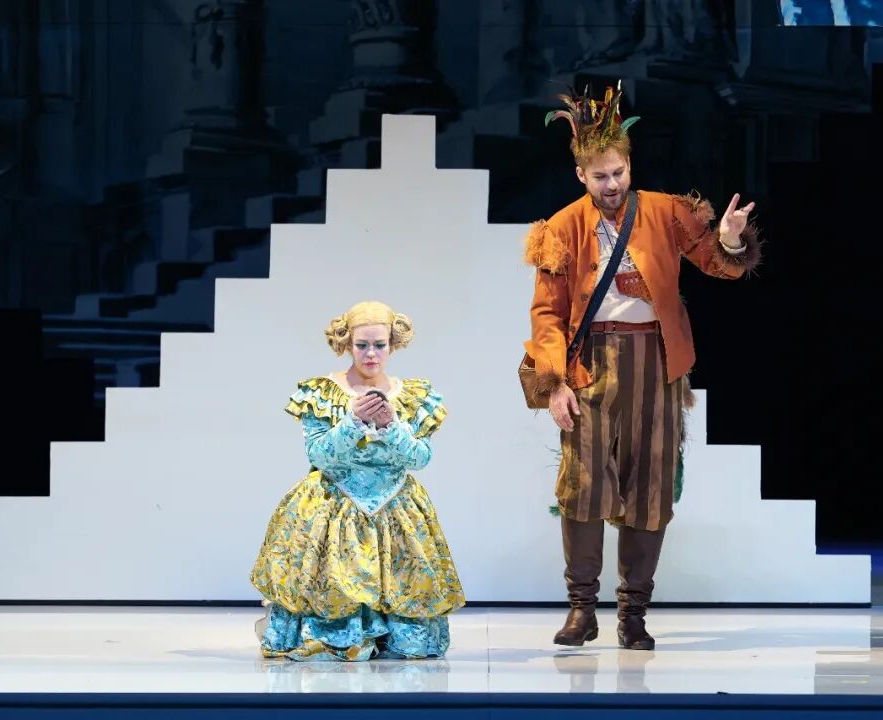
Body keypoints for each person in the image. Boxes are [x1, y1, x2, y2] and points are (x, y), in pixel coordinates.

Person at [523, 82, 761, 649]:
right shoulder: (563, 228)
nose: (611, 184)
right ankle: (582, 609)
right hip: (590, 365)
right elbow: (547, 314)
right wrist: (554, 383)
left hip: (656, 360)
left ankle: (633, 614)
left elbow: (718, 266)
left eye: (619, 172)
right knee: (583, 486)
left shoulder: (665, 212)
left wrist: (729, 240)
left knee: (651, 488)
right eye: (600, 176)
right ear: (581, 175)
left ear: (630, 166)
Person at [251, 301, 464, 661]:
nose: (370, 354)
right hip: (334, 501)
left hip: (396, 504)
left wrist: (390, 426)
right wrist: (352, 422)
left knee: (405, 588)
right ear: (347, 344)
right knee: (335, 584)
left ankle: (389, 634)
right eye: (361, 345)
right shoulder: (322, 392)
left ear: (392, 345)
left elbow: (420, 458)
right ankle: (342, 635)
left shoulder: (414, 396)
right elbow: (319, 455)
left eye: (379, 345)